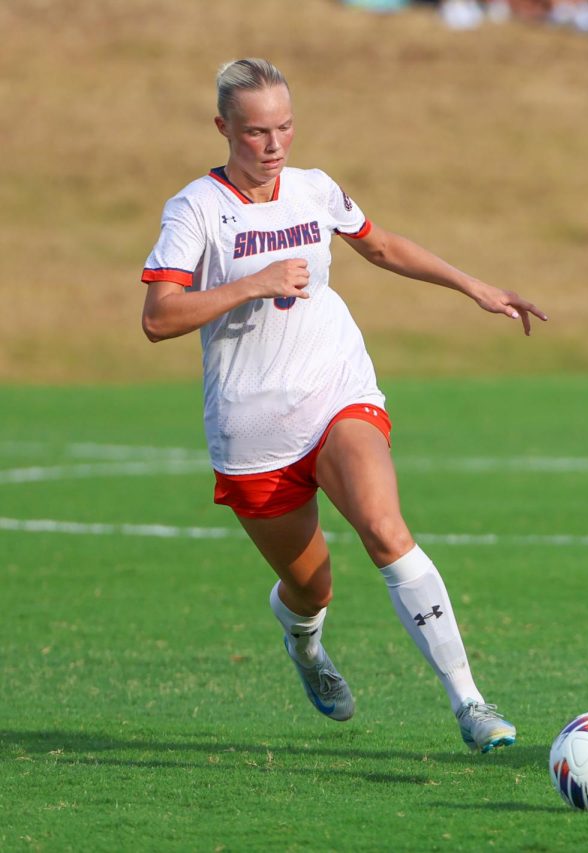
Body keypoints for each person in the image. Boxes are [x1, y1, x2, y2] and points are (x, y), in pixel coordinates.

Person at [140, 58, 547, 752]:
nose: (274, 145)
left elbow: (380, 245)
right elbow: (159, 317)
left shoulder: (314, 189)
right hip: (252, 429)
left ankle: (470, 702)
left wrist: (473, 285)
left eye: (285, 127)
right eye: (256, 132)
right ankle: (304, 644)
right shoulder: (195, 211)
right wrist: (252, 283)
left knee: (385, 529)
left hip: (336, 391)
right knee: (312, 588)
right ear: (223, 129)